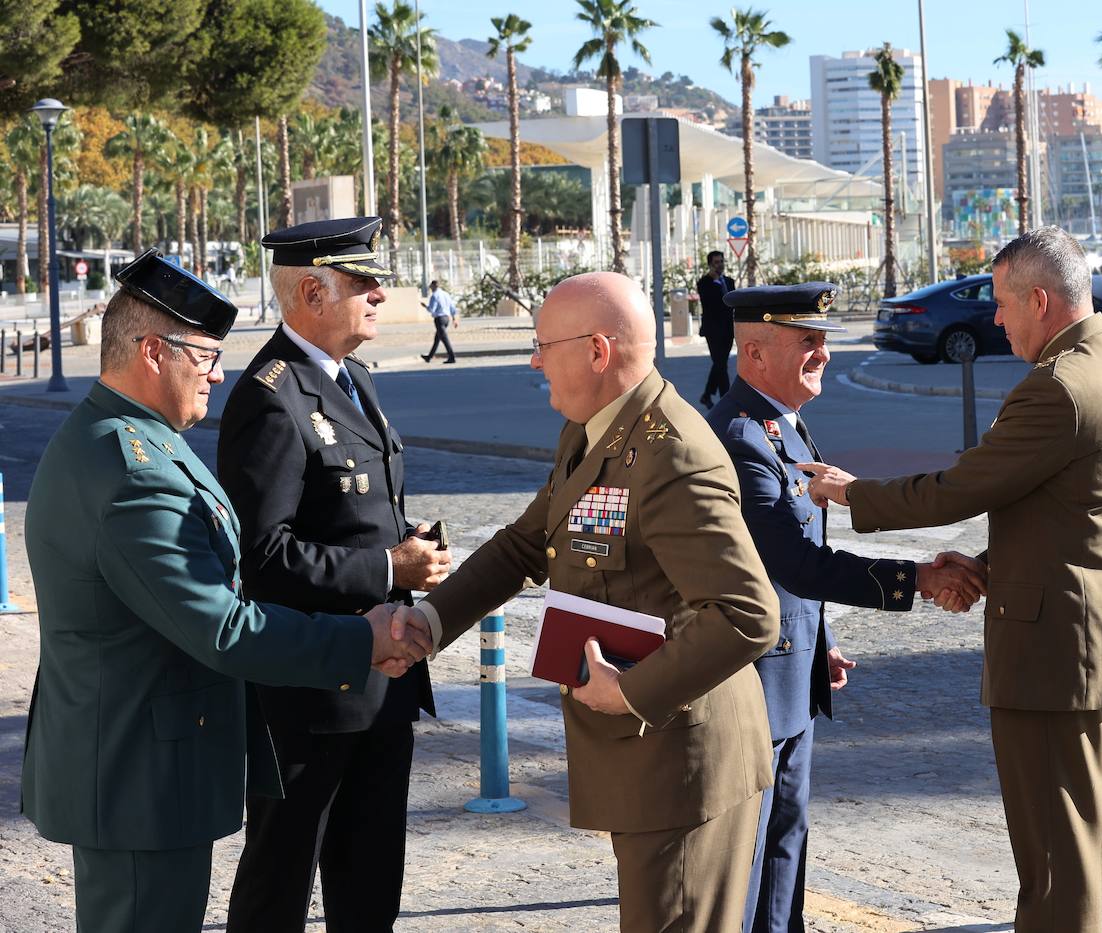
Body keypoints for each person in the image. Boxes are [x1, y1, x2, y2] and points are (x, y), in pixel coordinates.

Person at [20, 249, 430, 933]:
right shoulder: (131, 470)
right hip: (137, 775)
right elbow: (223, 627)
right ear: (153, 351)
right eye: (205, 357)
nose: (217, 374)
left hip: (145, 763)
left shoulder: (138, 436)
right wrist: (363, 637)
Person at [802, 226, 1102, 933]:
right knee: (1079, 832)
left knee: (1055, 861)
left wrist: (850, 492)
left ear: (1039, 299)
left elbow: (958, 488)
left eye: (1002, 303)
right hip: (1095, 636)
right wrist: (991, 569)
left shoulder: (1059, 386)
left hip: (1055, 654)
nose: (995, 318)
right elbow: (1073, 511)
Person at [415, 271, 780, 932]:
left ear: (596, 351)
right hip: (640, 762)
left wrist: (634, 689)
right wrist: (427, 622)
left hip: (680, 762)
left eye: (541, 344)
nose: (532, 359)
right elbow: (526, 543)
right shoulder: (594, 429)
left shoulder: (671, 455)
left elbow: (747, 613)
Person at [706, 283, 987, 933]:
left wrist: (818, 638)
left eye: (823, 339)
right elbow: (797, 562)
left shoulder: (785, 422)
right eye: (808, 340)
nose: (824, 353)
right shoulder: (742, 434)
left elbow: (792, 559)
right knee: (749, 865)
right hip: (754, 684)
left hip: (790, 672)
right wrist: (916, 577)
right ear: (754, 350)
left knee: (786, 845)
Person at [218, 216, 450, 933]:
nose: (380, 293)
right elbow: (262, 556)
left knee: (371, 880)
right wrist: (386, 564)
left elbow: (356, 511)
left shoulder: (356, 379)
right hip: (311, 694)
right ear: (312, 292)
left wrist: (406, 546)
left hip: (385, 680)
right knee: (279, 884)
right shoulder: (270, 396)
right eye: (362, 281)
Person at [697, 249, 736, 408]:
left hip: (728, 329)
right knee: (720, 364)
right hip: (713, 330)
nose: (720, 265)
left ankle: (707, 395)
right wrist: (714, 282)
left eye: (721, 262)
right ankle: (726, 399)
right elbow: (708, 303)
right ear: (710, 265)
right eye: (716, 262)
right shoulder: (704, 283)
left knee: (721, 363)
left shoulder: (729, 281)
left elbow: (733, 302)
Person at [422, 278, 457, 363]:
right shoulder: (446, 294)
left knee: (444, 339)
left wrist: (425, 306)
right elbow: (452, 307)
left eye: (431, 286)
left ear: (434, 286)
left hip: (439, 319)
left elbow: (431, 309)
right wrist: (454, 319)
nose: (430, 288)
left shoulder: (434, 295)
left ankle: (451, 357)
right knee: (437, 338)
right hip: (446, 318)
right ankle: (429, 357)